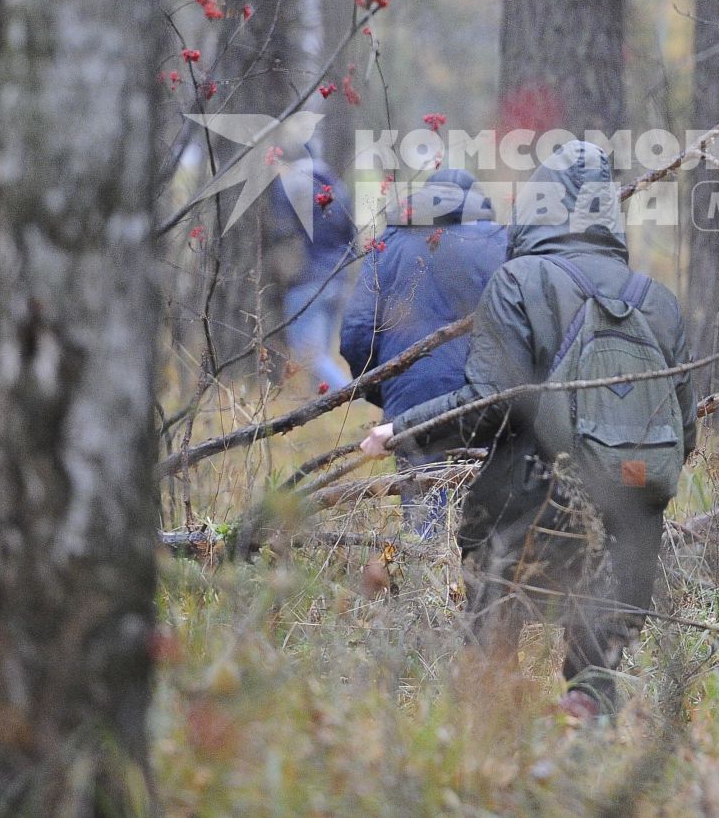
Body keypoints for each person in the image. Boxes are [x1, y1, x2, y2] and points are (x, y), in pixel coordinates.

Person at [359, 142, 695, 718]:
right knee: (595, 671)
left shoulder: (520, 282)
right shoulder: (658, 301)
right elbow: (684, 433)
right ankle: (587, 727)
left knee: (492, 651)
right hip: (634, 518)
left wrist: (400, 430)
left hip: (530, 512)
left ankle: (494, 750)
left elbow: (490, 405)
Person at [339, 168, 506, 536]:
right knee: (481, 518)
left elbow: (356, 333)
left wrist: (386, 390)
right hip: (482, 397)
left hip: (411, 400)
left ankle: (427, 583)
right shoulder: (500, 243)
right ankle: (474, 586)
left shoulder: (391, 244)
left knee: (425, 522)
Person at [266, 152, 357, 390]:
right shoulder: (337, 187)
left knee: (310, 356)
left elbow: (281, 232)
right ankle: (326, 414)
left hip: (307, 282)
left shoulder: (288, 184)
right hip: (339, 278)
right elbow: (352, 237)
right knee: (322, 356)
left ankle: (352, 398)